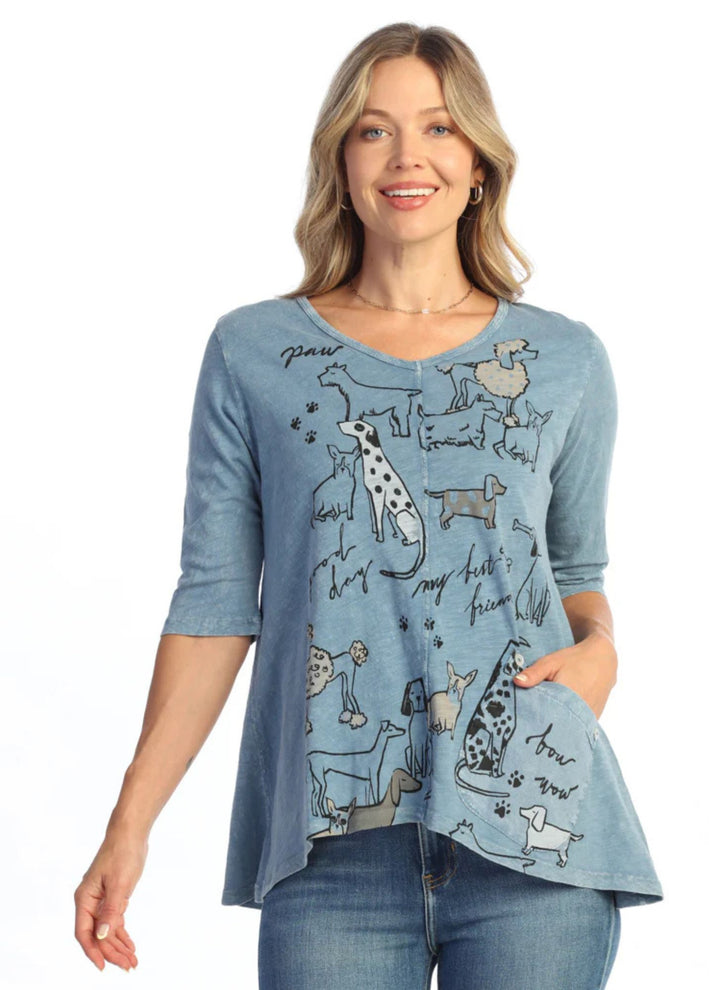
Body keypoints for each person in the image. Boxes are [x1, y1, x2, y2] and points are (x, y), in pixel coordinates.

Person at [74, 22, 662, 989]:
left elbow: (575, 572)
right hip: (333, 855)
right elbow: (215, 604)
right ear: (341, 163)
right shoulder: (255, 353)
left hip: (539, 844)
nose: (406, 157)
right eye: (374, 130)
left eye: (438, 128)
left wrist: (601, 647)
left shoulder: (565, 359)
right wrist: (128, 825)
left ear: (478, 165)